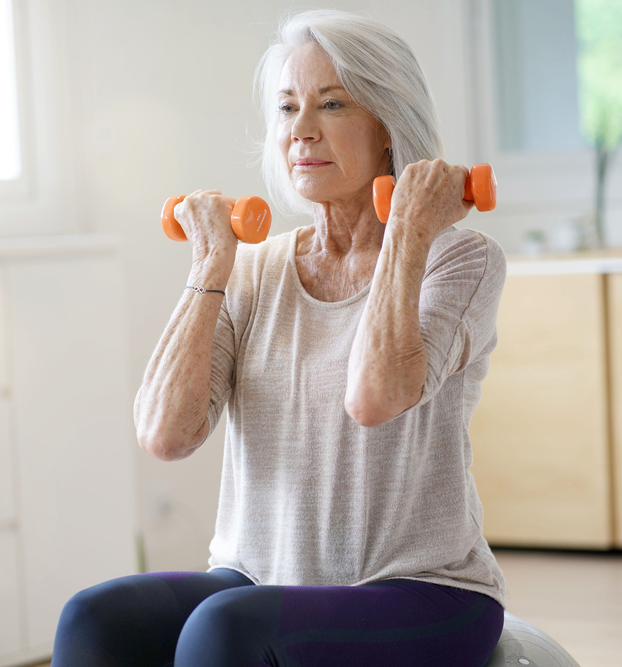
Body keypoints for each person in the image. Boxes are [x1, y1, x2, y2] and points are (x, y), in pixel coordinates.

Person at [52, 9, 507, 667]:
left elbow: (375, 396)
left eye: (331, 103)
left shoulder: (457, 262)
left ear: (387, 125)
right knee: (95, 617)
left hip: (423, 590)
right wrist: (211, 264)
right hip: (259, 575)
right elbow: (165, 434)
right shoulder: (253, 268)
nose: (302, 130)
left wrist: (406, 232)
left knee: (228, 629)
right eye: (288, 108)